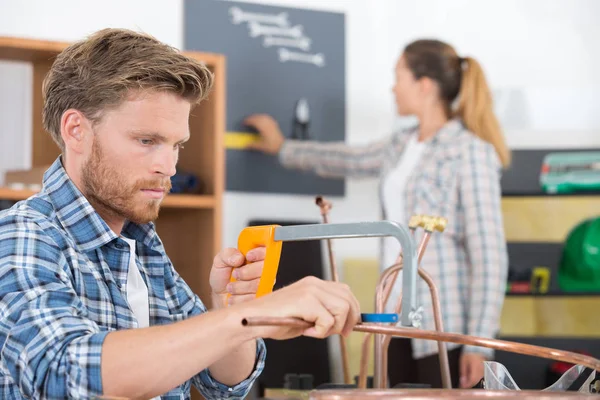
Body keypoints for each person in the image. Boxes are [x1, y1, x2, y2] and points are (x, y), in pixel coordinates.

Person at [0, 28, 361, 400]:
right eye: (146, 141)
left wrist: (237, 310)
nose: (169, 167)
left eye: (176, 145)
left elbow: (221, 384)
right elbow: (65, 371)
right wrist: (240, 320)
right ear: (76, 130)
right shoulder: (22, 237)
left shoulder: (142, 245)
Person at [244, 39, 509, 389]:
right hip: (393, 313)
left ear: (424, 85)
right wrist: (283, 148)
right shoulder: (401, 144)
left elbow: (489, 255)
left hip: (443, 324)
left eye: (399, 76)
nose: (393, 87)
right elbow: (348, 158)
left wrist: (480, 342)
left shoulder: (469, 151)